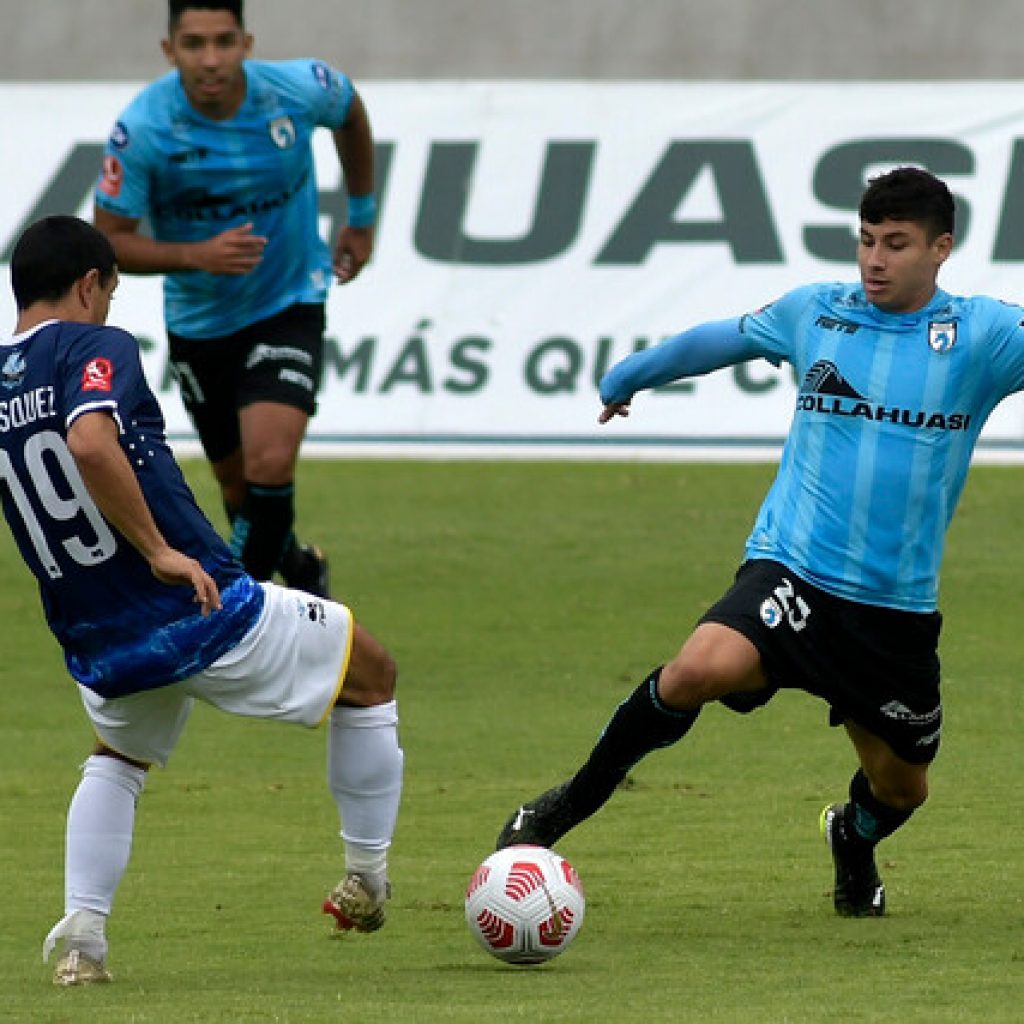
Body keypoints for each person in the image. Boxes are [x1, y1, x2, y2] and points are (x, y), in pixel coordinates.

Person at [497, 166, 1024, 918]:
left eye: (897, 244)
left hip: (892, 611)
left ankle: (852, 837)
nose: (875, 259)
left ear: (942, 249)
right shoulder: (818, 312)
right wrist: (629, 376)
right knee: (694, 670)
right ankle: (556, 811)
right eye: (867, 241)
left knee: (902, 788)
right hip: (794, 571)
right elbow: (724, 339)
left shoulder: (984, 337)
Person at [1, 216, 403, 987]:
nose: (110, 308)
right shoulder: (92, 347)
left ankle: (83, 943)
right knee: (372, 674)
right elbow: (88, 442)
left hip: (94, 631)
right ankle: (368, 879)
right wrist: (158, 550)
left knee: (117, 756)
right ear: (90, 285)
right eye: (111, 292)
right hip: (197, 607)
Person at [93, 0, 378, 598]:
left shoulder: (297, 89)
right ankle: (300, 570)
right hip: (201, 322)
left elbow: (350, 110)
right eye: (195, 44)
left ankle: (233, 608)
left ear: (247, 42)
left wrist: (361, 216)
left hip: (289, 300)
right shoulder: (143, 129)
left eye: (225, 41)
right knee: (238, 489)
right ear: (170, 52)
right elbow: (110, 243)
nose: (212, 59)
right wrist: (196, 255)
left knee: (270, 464)